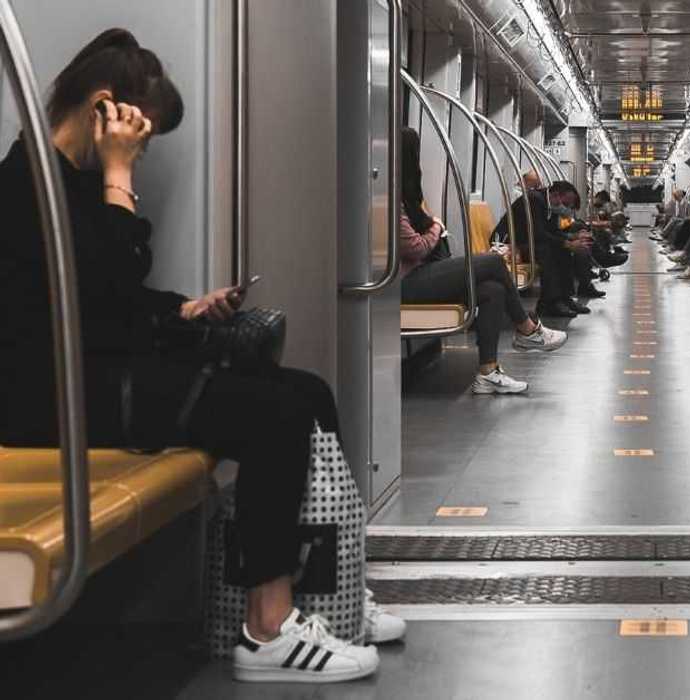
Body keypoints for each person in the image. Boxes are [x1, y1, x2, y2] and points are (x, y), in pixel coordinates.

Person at [0, 29, 395, 683]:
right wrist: (122, 177)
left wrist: (183, 310)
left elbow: (104, 303)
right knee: (272, 417)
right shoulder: (27, 188)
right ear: (105, 110)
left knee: (306, 394)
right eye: (142, 137)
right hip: (48, 398)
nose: (141, 152)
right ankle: (266, 629)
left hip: (91, 377)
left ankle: (331, 593)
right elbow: (95, 298)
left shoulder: (69, 184)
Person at [398, 130, 566, 395]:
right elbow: (415, 247)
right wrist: (436, 227)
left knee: (492, 290)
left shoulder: (407, 198)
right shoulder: (390, 200)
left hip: (419, 274)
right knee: (492, 263)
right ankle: (527, 329)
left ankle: (487, 372)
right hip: (403, 283)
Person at [494, 174, 592, 318]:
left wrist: (571, 239)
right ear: (557, 195)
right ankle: (550, 304)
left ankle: (565, 298)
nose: (566, 208)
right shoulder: (534, 199)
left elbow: (552, 231)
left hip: (526, 241)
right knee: (546, 250)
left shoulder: (547, 204)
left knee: (561, 250)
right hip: (509, 243)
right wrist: (567, 243)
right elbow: (538, 233)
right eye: (566, 203)